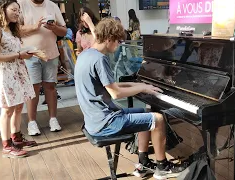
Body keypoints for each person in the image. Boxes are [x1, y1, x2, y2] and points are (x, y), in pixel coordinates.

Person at [74, 18, 186, 179]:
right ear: (108, 39)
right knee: (159, 119)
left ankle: (143, 163)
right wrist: (142, 87)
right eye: (118, 41)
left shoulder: (86, 55)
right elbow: (116, 94)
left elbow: (113, 86)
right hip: (105, 123)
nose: (119, 45)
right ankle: (163, 166)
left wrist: (142, 86)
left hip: (94, 119)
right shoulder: (99, 59)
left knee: (144, 111)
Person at [0, 0, 37, 158]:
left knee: (19, 106)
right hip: (5, 73)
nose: (17, 13)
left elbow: (15, 50)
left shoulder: (12, 30)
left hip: (18, 71)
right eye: (14, 9)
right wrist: (19, 55)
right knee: (7, 109)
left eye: (18, 10)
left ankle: (16, 139)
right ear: (3, 9)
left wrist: (28, 52)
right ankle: (6, 145)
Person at [18, 0, 67, 136]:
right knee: (33, 88)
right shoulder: (21, 4)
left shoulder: (52, 5)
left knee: (50, 87)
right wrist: (35, 27)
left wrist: (54, 28)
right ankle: (31, 122)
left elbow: (64, 30)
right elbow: (15, 30)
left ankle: (53, 119)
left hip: (51, 53)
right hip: (30, 54)